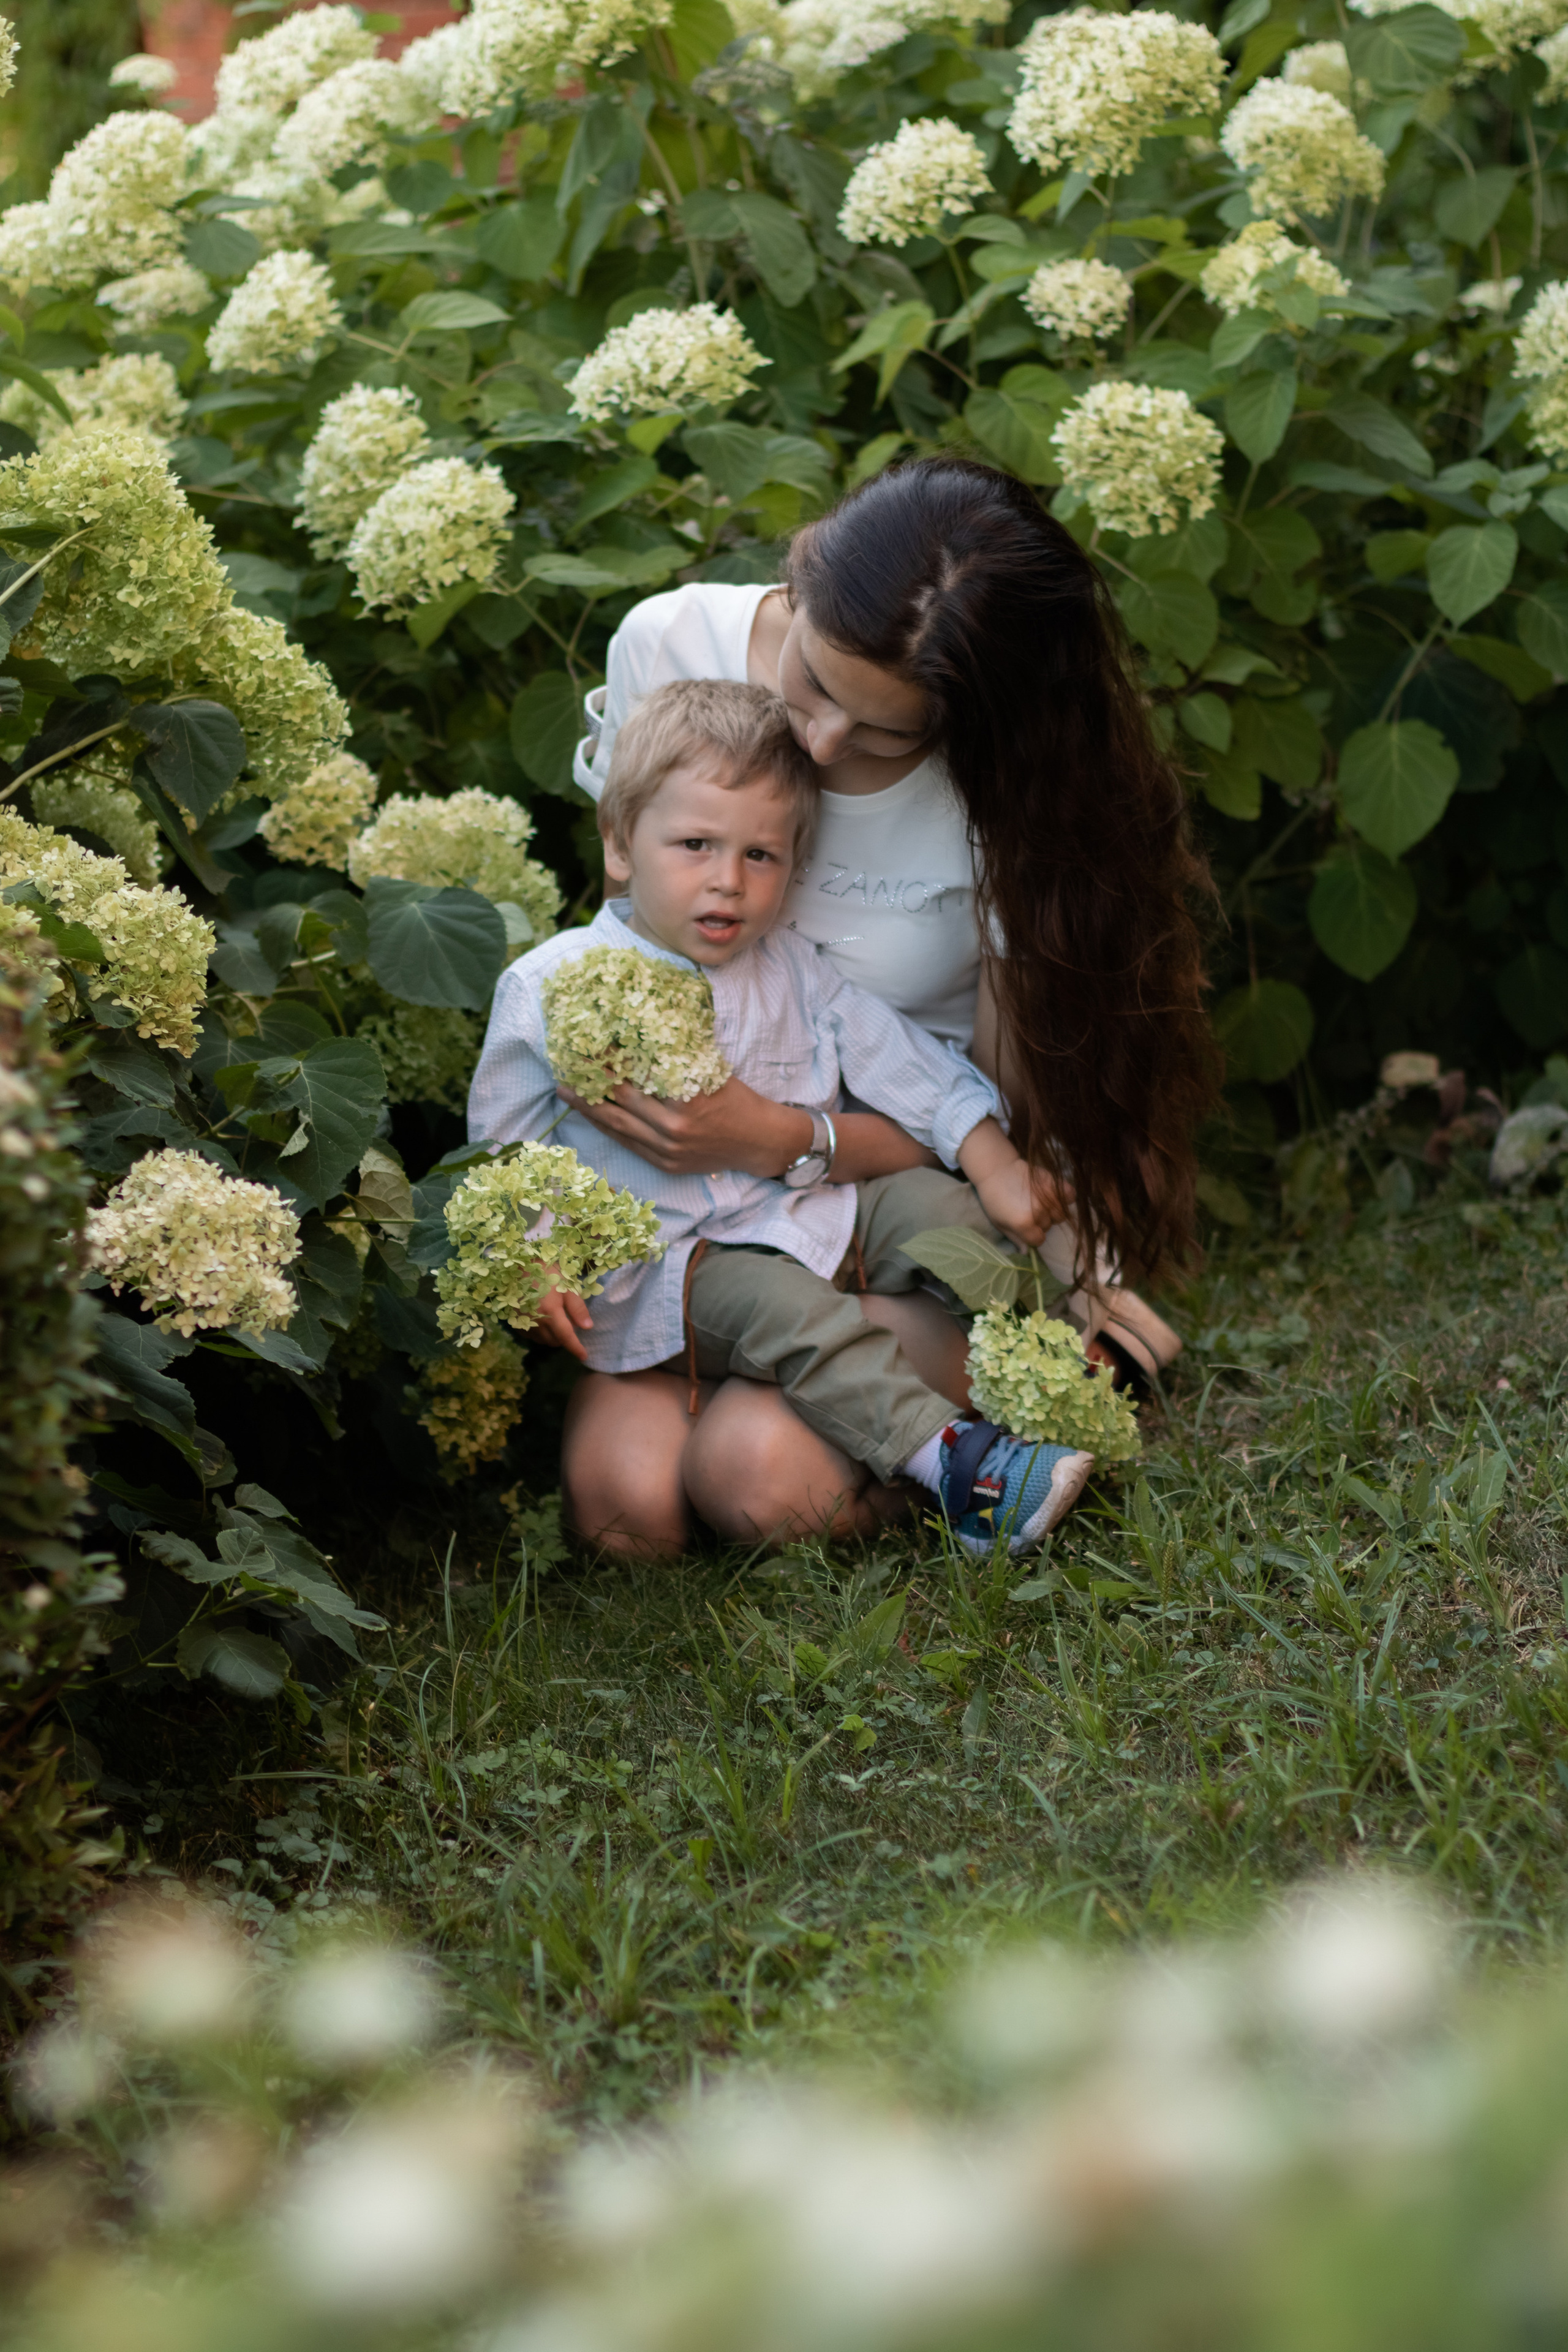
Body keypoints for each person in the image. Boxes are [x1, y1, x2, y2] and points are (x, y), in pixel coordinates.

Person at [555, 455, 1217, 1554]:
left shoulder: (1010, 788)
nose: (817, 748)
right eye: (811, 684)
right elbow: (628, 930)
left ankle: (1042, 1391)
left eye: (884, 735)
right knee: (623, 1505)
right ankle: (916, 1404)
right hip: (703, 1203)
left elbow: (1002, 1112)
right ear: (800, 583)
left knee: (752, 1475)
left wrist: (783, 1139)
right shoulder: (667, 648)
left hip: (906, 1192)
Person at [470, 677, 1096, 1554]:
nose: (727, 882)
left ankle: (1057, 1358)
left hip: (813, 1208)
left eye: (759, 856)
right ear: (619, 844)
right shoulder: (547, 985)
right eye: (695, 844)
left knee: (936, 1207)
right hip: (679, 1267)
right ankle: (958, 1464)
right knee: (779, 1309)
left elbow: (910, 1067)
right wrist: (530, 1260)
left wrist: (992, 1163)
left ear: (791, 864)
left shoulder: (790, 967)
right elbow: (502, 1154)